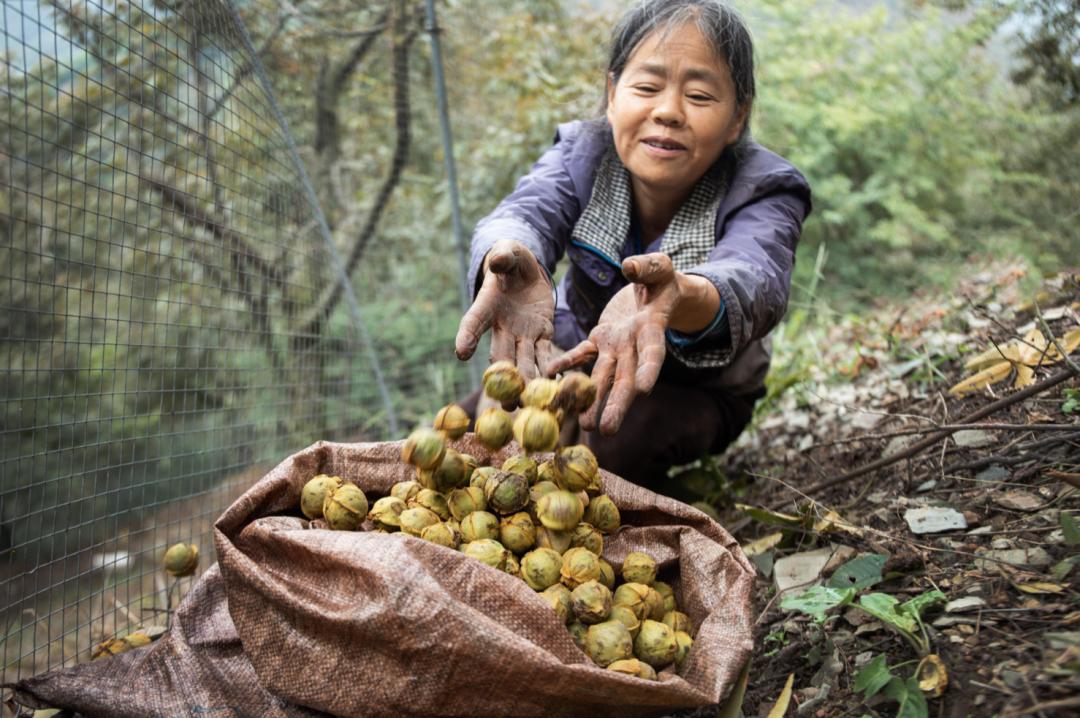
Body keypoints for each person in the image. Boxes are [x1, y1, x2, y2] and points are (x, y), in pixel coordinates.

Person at [455, 0, 812, 492]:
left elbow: (756, 276)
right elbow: (525, 211)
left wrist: (679, 296)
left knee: (610, 445)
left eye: (701, 95)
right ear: (612, 93)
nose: (667, 112)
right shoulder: (583, 153)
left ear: (737, 117)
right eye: (646, 87)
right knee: (476, 431)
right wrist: (509, 252)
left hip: (696, 391)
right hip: (574, 354)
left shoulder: (767, 186)